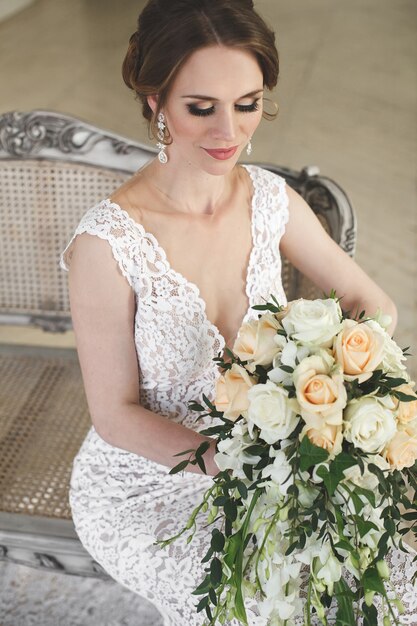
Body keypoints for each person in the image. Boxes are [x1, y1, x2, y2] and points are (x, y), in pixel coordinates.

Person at [60, 0, 417, 624]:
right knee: (261, 597)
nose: (229, 132)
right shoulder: (108, 243)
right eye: (202, 108)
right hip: (149, 482)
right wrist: (242, 464)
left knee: (391, 571)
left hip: (277, 454)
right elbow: (115, 416)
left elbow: (372, 305)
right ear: (154, 101)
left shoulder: (271, 200)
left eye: (247, 104)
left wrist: (331, 383)